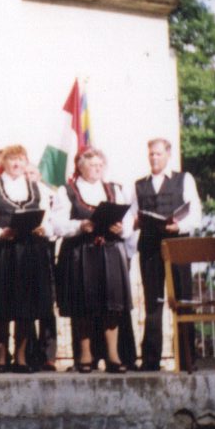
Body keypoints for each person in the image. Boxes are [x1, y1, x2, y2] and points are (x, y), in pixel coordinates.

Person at [50, 147, 133, 373]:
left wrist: (120, 228)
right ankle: (85, 355)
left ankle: (113, 355)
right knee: (82, 305)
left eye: (100, 165)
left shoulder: (114, 189)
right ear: (81, 167)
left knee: (112, 305)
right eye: (92, 165)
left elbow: (128, 221)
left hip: (110, 250)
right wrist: (80, 225)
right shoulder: (67, 191)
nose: (97, 169)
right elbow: (57, 223)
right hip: (80, 252)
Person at [130, 138, 203, 372]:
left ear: (168, 155)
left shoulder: (184, 179)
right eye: (151, 154)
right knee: (153, 302)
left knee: (182, 299)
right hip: (150, 247)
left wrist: (179, 226)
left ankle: (187, 359)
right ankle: (151, 360)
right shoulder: (139, 185)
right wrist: (134, 222)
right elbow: (131, 215)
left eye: (158, 154)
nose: (154, 158)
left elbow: (195, 213)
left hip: (177, 244)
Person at [0, 145, 56, 373]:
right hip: (6, 251)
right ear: (4, 162)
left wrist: (43, 228)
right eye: (12, 159)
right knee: (3, 304)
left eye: (20, 159)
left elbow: (48, 217)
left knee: (27, 306)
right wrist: (0, 233)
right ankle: (0, 357)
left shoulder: (37, 188)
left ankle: (21, 357)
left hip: (30, 250)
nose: (16, 164)